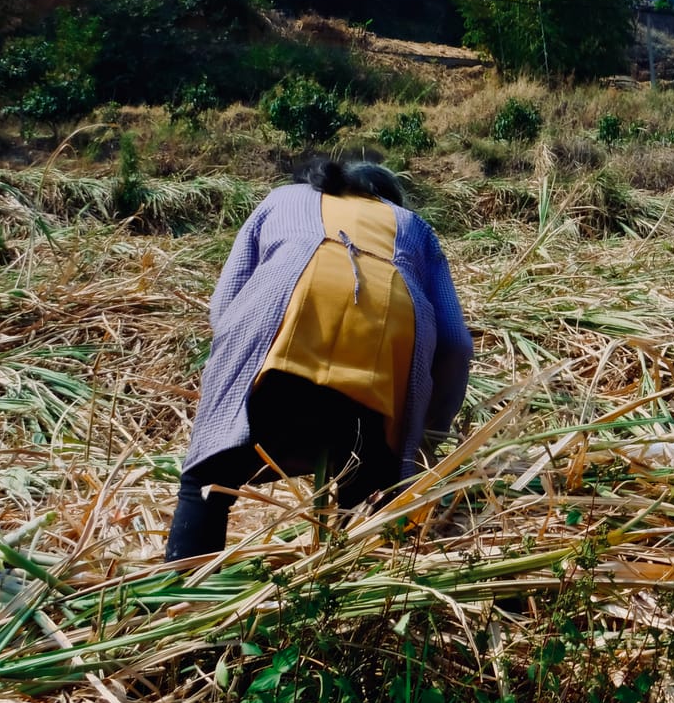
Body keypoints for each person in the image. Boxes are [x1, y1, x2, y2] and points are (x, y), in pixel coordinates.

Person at [167, 160, 473, 561]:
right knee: (367, 503)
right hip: (382, 357)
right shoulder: (413, 225)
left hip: (277, 341)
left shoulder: (283, 199)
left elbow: (225, 305)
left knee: (208, 480)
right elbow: (456, 344)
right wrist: (428, 432)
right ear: (384, 198)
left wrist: (233, 384)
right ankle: (353, 602)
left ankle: (181, 596)